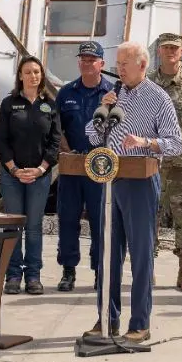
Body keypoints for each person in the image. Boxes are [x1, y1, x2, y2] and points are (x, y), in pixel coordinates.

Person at [83, 41, 182, 344]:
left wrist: (146, 143)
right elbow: (92, 136)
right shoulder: (115, 95)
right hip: (110, 181)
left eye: (124, 63)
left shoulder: (158, 97)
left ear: (142, 65)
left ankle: (140, 323)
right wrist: (103, 109)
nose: (119, 69)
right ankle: (107, 319)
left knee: (140, 255)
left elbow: (176, 144)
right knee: (108, 255)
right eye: (118, 63)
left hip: (141, 181)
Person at [0, 56, 61, 295]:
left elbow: (55, 142)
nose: (33, 76)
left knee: (33, 227)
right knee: (14, 226)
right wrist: (14, 169)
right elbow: (0, 140)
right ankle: (13, 275)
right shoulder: (9, 103)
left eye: (36, 72)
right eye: (28, 72)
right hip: (12, 175)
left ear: (41, 75)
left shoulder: (50, 105)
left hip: (39, 176)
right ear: (20, 76)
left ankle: (33, 275)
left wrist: (41, 169)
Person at [54, 41, 114, 291]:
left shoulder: (112, 92)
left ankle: (100, 270)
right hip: (73, 166)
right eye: (83, 59)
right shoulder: (66, 92)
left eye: (92, 59)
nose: (87, 63)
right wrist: (67, 151)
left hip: (101, 166)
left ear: (102, 63)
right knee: (68, 219)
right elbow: (57, 128)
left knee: (101, 221)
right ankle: (68, 270)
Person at [148, 32, 182, 292]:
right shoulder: (147, 82)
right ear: (159, 51)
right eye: (166, 47)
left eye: (175, 48)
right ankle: (147, 268)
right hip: (151, 163)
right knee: (149, 216)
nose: (170, 52)